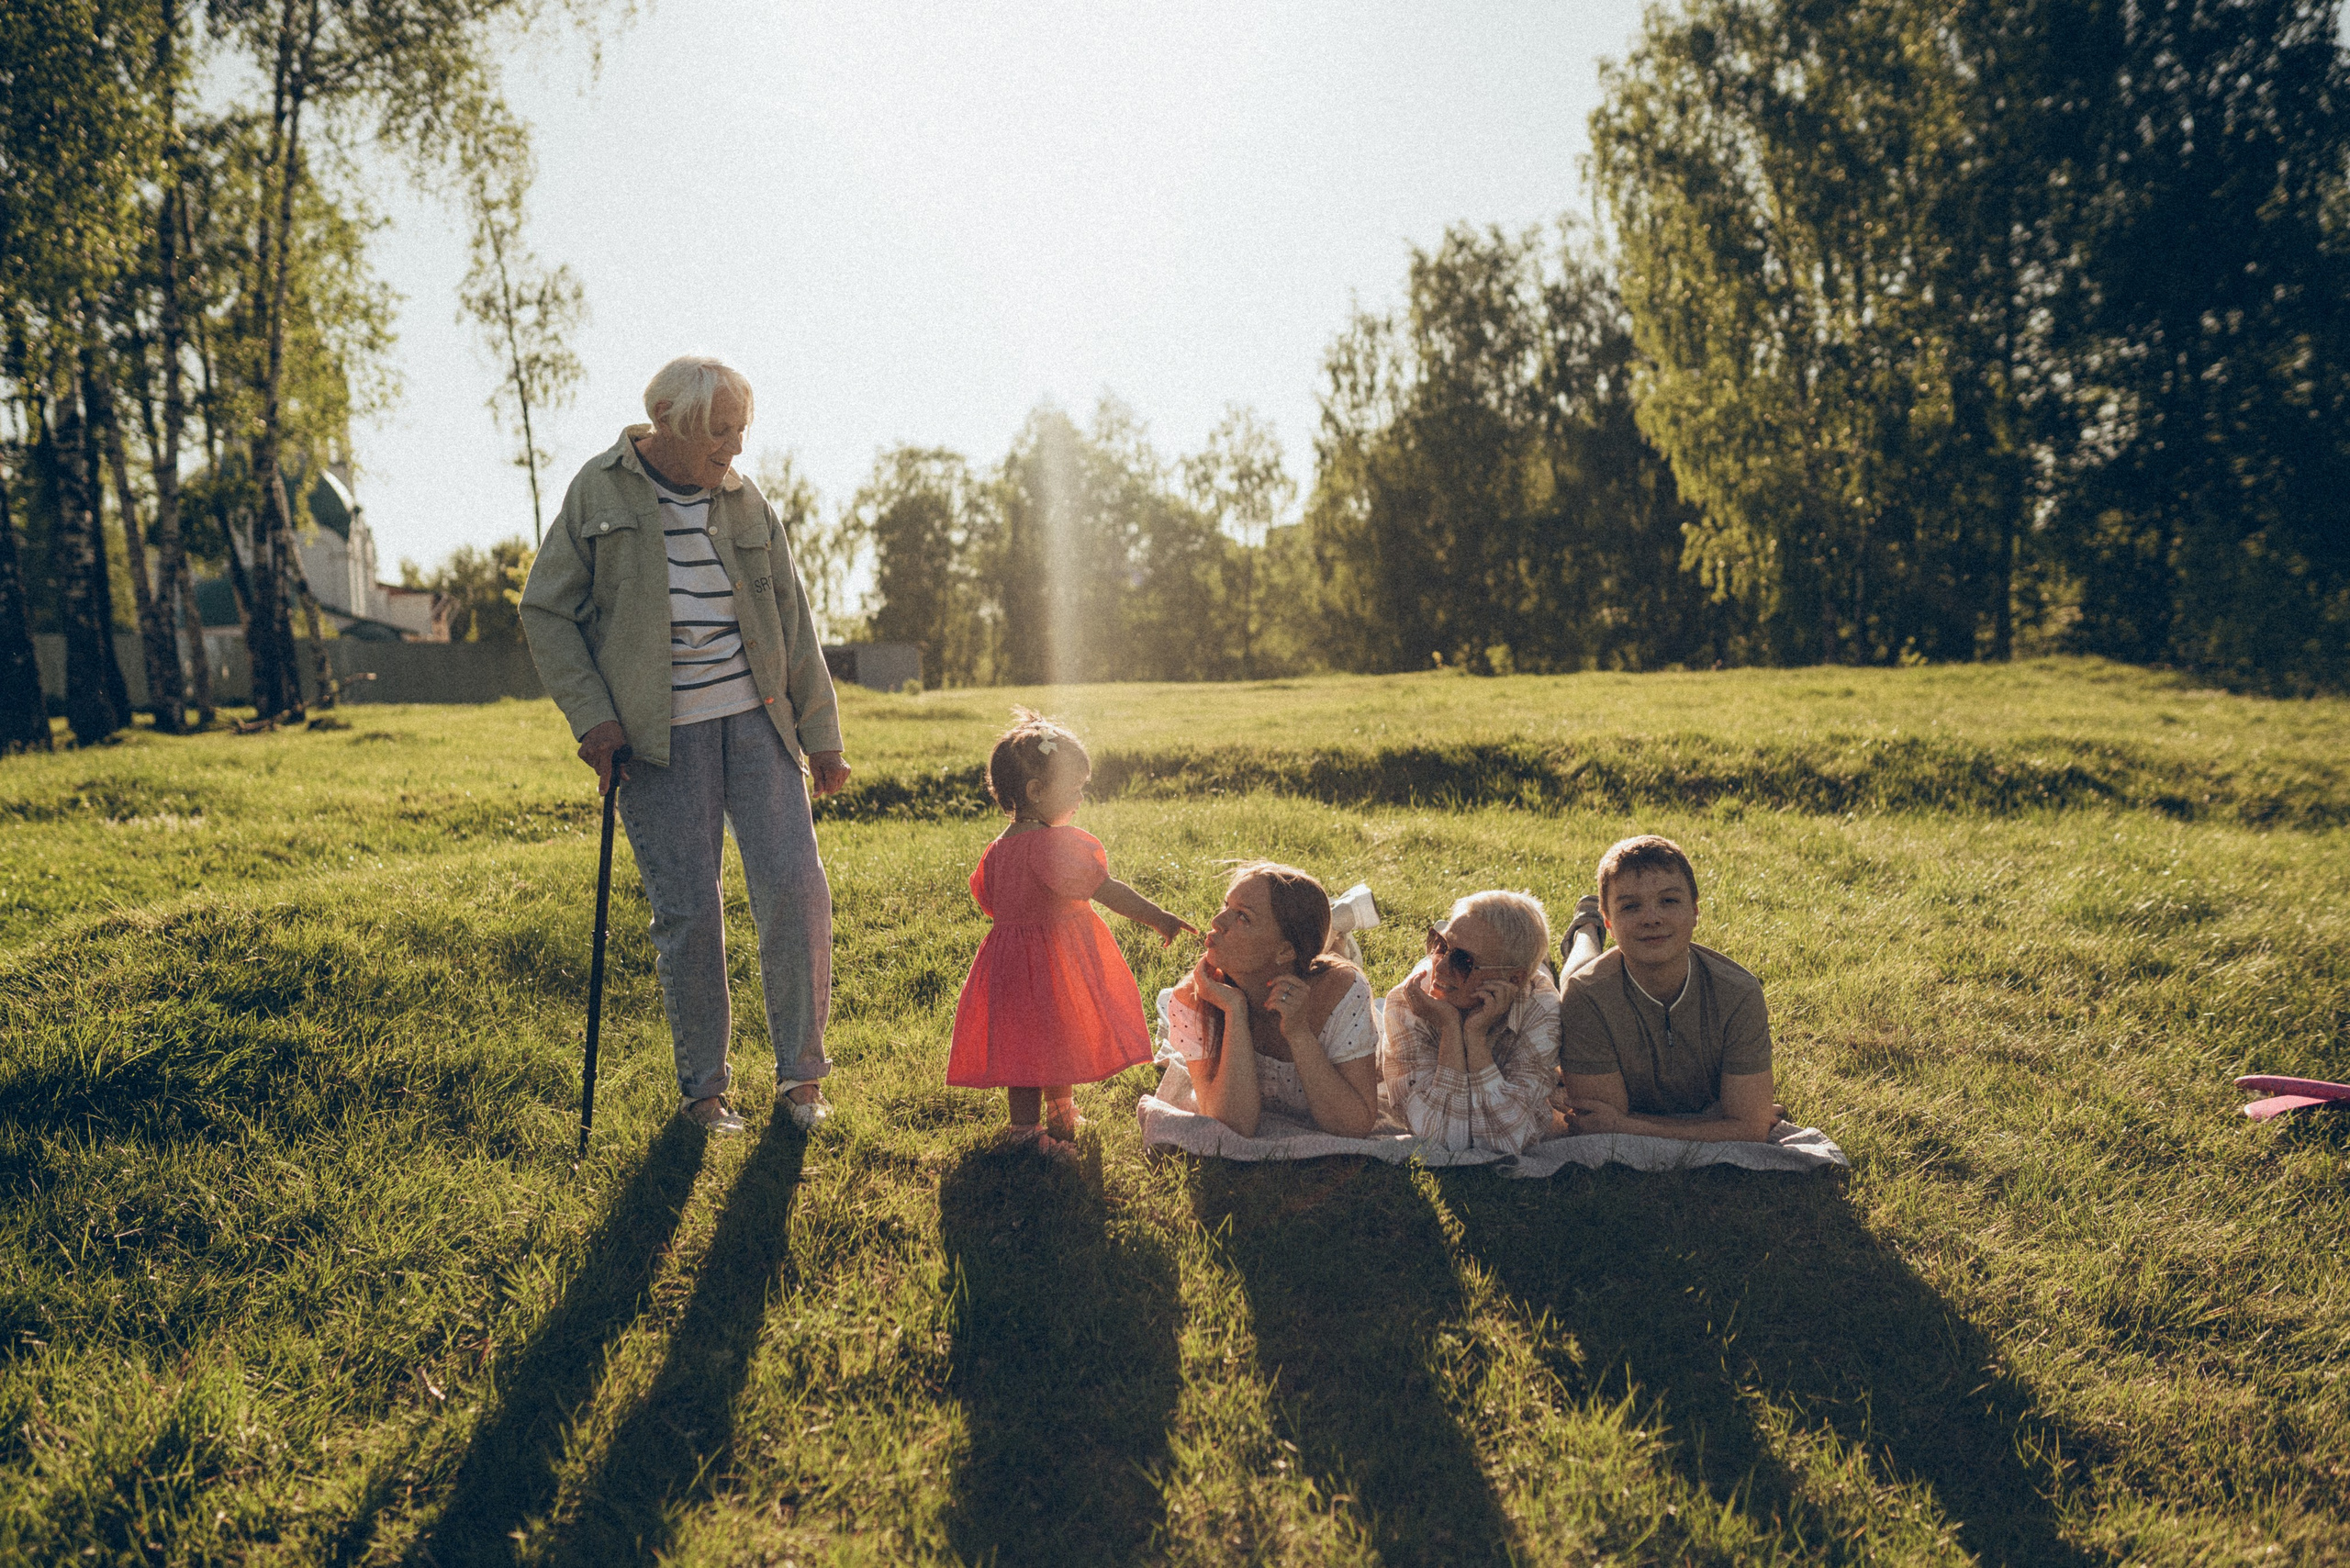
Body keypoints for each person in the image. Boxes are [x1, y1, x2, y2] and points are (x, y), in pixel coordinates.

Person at [520, 354, 849, 1135]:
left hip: (758, 720)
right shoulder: (598, 490)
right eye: (718, 431)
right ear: (667, 422)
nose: (733, 448)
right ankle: (705, 1094)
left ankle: (803, 1082)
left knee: (796, 892)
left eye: (741, 430)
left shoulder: (745, 500)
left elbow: (794, 623)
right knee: (690, 915)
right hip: (657, 739)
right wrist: (593, 719)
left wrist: (823, 737)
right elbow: (545, 609)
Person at [946, 711, 1193, 1158]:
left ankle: (1061, 1111)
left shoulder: (997, 850)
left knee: (1039, 1041)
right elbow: (1106, 889)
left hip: (1009, 966)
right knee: (1038, 1049)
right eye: (1074, 788)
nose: (1080, 797)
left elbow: (989, 900)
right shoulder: (1051, 846)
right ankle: (1025, 1134)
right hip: (1048, 964)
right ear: (1037, 792)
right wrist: (1159, 917)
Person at [1551, 835, 1781, 1143]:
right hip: (1594, 978)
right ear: (1610, 922)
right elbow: (1598, 1123)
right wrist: (1713, 1122)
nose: (1652, 918)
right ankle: (1585, 928)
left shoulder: (1739, 993)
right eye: (1631, 906)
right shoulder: (1586, 995)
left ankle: (1587, 924)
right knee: (1573, 976)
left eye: (1669, 901)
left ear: (1695, 911)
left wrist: (1629, 1125)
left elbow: (1751, 1130)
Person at [1172, 864, 1383, 1139]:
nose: (1216, 921)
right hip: (1286, 962)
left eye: (1242, 917)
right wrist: (1235, 1011)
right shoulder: (1194, 998)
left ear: (1284, 949)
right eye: (1226, 905)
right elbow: (1233, 1125)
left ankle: (1336, 930)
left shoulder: (1341, 991)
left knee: (1329, 958)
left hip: (1305, 970)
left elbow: (1353, 1124)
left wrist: (1298, 1033)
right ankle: (1333, 924)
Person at [1382, 890, 1561, 1154]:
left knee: (1576, 979)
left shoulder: (1541, 1010)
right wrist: (1450, 1028)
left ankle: (1583, 932)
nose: (1441, 966)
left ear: (1512, 980)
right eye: (1440, 945)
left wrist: (1475, 1037)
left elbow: (1509, 1139)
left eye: (1463, 961)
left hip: (1530, 981)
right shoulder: (1408, 999)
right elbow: (1437, 1135)